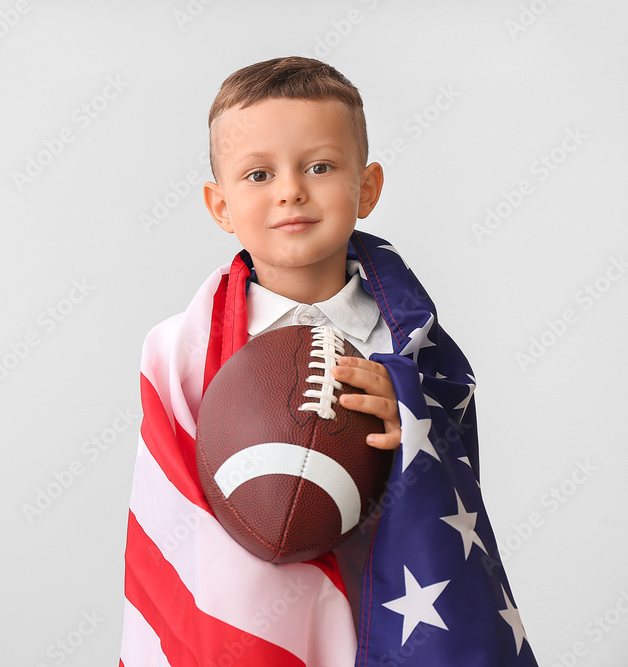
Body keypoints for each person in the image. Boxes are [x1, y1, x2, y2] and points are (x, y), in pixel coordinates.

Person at [118, 57, 537, 666]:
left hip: (385, 610)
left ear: (367, 188)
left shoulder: (411, 344)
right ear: (220, 206)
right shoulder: (182, 350)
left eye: (320, 166)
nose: (291, 189)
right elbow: (174, 523)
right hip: (259, 626)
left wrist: (410, 418)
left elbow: (454, 477)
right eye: (258, 174)